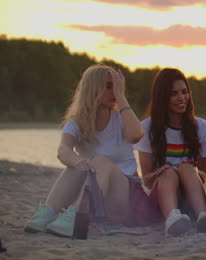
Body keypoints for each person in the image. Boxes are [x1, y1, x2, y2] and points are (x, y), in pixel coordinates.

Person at [24, 64, 156, 237]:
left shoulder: (121, 119)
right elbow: (63, 150)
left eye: (115, 87)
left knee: (100, 160)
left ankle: (75, 215)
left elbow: (137, 134)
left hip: (127, 197)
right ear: (93, 89)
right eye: (109, 87)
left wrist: (121, 96)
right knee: (77, 163)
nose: (114, 91)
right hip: (97, 194)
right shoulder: (77, 122)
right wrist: (78, 162)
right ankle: (48, 212)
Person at [134, 68, 206, 236]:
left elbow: (203, 176)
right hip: (161, 200)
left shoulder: (203, 128)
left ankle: (204, 217)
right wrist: (162, 172)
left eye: (185, 92)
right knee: (169, 172)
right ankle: (172, 219)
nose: (181, 98)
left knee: (186, 169)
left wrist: (189, 171)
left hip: (191, 201)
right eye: (174, 94)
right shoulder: (147, 128)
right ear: (162, 98)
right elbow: (147, 180)